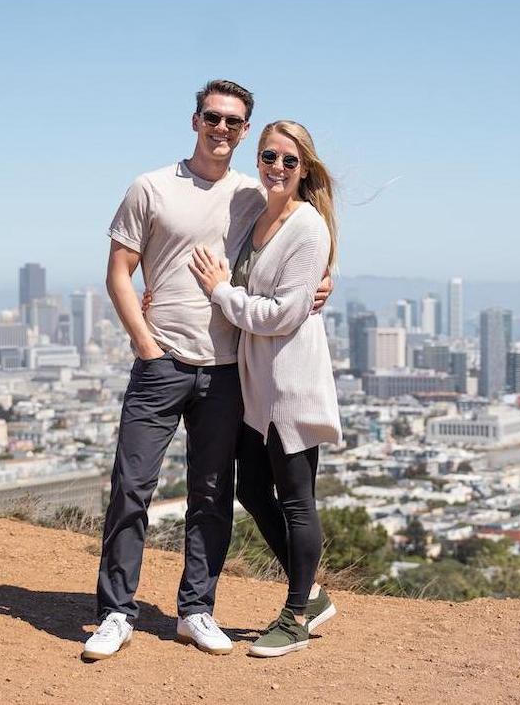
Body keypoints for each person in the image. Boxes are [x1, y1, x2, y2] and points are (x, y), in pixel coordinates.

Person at [82, 82, 331, 661]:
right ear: (195, 120)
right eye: (213, 117)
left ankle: (196, 610)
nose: (223, 128)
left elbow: (302, 239)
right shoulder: (151, 187)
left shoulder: (255, 193)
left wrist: (326, 280)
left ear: (246, 131)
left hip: (225, 372)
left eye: (235, 122)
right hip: (162, 361)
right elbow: (119, 270)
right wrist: (145, 345)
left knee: (212, 496)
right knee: (132, 488)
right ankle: (116, 612)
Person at [189, 119, 342, 658]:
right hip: (257, 388)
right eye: (268, 157)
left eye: (289, 161)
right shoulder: (256, 211)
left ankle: (297, 614)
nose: (276, 168)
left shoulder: (307, 228)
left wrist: (219, 293)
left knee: (298, 500)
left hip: (290, 384)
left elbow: (281, 315)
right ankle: (313, 594)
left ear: (306, 170)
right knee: (252, 488)